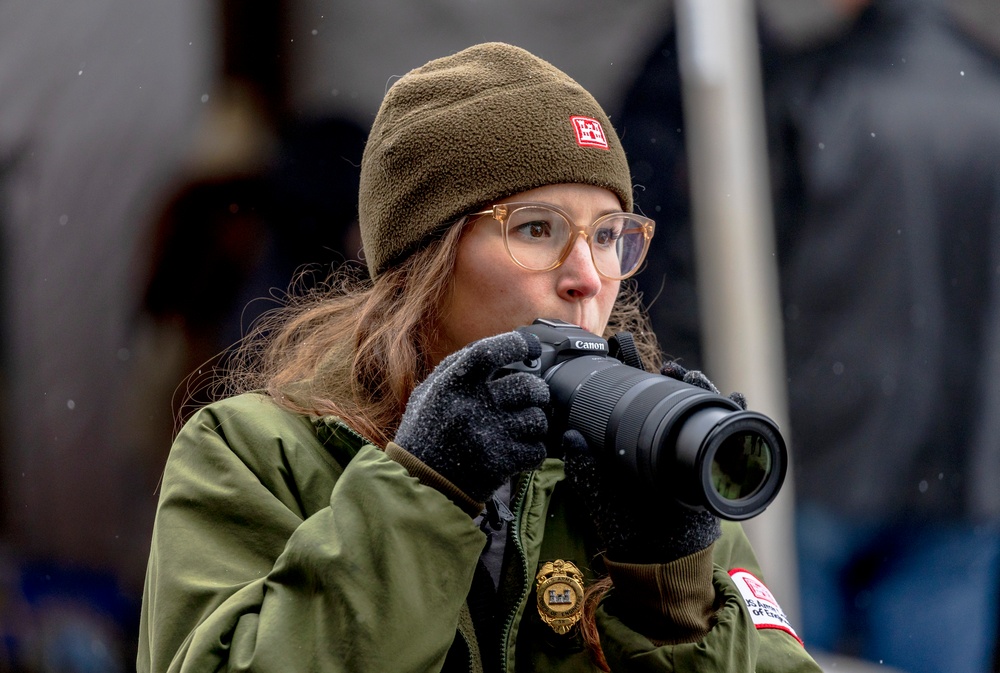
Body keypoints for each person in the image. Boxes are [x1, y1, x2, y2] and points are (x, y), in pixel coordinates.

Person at [136, 42, 820, 672]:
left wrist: (670, 597)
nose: (587, 273)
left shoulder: (647, 464)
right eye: (535, 228)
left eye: (609, 235)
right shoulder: (253, 453)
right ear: (423, 265)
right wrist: (425, 486)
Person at [617, 2, 1000, 672]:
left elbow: (720, 271)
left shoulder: (814, 90)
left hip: (819, 451)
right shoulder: (989, 94)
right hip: (966, 463)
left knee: (779, 654)